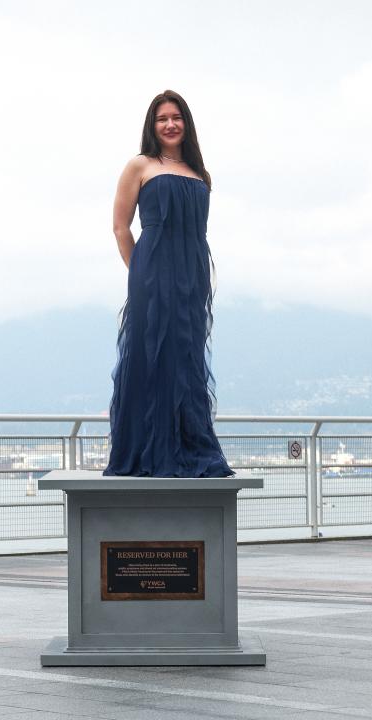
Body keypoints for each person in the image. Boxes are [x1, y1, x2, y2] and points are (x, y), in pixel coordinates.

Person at [103, 90, 233, 478]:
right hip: (151, 276)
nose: (170, 124)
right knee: (149, 357)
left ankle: (188, 450)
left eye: (177, 117)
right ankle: (144, 453)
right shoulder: (139, 166)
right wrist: (141, 274)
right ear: (152, 125)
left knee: (186, 359)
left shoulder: (200, 174)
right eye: (162, 118)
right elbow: (120, 227)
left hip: (192, 278)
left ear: (186, 124)